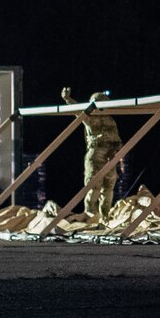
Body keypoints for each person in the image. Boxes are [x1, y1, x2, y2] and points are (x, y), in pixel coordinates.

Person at [63, 87, 123, 223]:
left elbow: (118, 141)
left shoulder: (110, 121)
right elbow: (79, 110)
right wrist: (68, 99)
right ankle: (91, 216)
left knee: (108, 188)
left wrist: (115, 152)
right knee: (93, 187)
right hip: (96, 155)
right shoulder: (90, 118)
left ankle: (104, 217)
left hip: (109, 157)